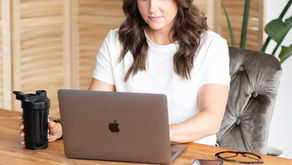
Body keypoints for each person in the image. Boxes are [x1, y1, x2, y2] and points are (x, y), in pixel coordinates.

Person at [19, 0, 230, 146]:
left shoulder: (212, 46)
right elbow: (94, 108)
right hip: (129, 148)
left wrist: (152, 134)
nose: (152, 8)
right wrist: (62, 129)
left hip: (192, 154)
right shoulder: (115, 42)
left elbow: (212, 119)